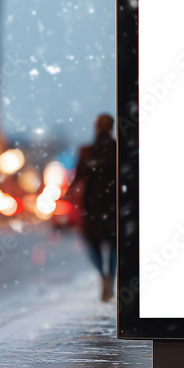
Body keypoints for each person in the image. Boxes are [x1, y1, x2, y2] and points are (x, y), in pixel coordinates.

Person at [71, 113, 118, 301]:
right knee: (115, 245)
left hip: (93, 206)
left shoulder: (86, 151)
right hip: (115, 205)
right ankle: (110, 278)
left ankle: (102, 274)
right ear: (112, 127)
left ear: (97, 127)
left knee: (92, 244)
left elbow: (78, 178)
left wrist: (65, 192)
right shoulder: (118, 149)